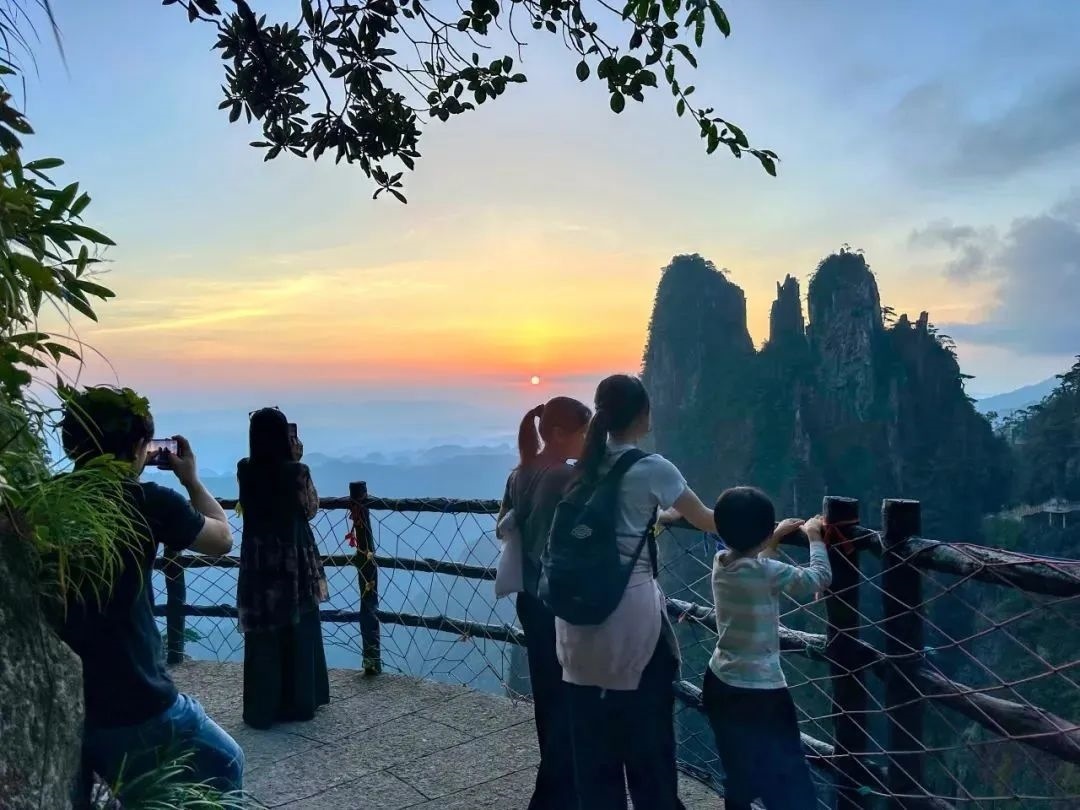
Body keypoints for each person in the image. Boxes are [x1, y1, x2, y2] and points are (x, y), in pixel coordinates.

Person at [58, 386, 243, 795]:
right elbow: (222, 539)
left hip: (70, 699)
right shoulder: (147, 501)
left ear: (71, 445)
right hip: (137, 697)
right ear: (140, 447)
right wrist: (191, 480)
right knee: (226, 759)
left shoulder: (48, 503)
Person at [556, 373, 717, 810]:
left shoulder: (582, 467)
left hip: (574, 633)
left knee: (594, 763)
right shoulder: (653, 469)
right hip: (631, 631)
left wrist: (652, 516)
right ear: (642, 414)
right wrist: (770, 530)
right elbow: (707, 519)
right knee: (649, 757)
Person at [705, 487, 832, 809]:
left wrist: (771, 540)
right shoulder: (765, 572)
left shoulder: (721, 562)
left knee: (738, 769)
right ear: (763, 533)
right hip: (761, 691)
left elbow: (752, 565)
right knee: (789, 775)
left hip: (720, 681)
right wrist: (814, 536)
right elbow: (818, 578)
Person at [496, 397, 592, 810]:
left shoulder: (520, 473)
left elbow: (503, 525)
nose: (588, 440)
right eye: (583, 432)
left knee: (548, 696)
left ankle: (558, 790)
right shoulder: (565, 479)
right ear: (558, 434)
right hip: (560, 602)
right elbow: (580, 534)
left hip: (530, 598)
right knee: (572, 697)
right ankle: (556, 794)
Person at [236, 408, 329, 729]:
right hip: (293, 561)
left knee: (264, 633)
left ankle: (263, 707)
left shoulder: (245, 470)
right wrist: (296, 459)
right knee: (298, 626)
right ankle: (299, 702)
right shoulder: (297, 472)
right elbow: (310, 508)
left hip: (258, 562)